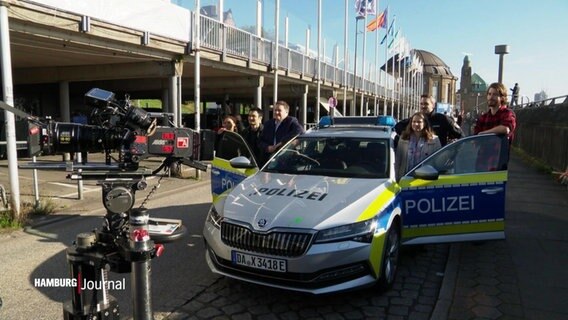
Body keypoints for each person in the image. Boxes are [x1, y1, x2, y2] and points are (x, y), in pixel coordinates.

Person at [394, 94, 462, 146]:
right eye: (421, 104)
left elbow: (460, 136)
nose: (423, 106)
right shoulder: (414, 119)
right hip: (419, 158)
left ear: (433, 105)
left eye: (426, 104)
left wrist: (450, 150)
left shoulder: (443, 119)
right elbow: (398, 127)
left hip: (438, 158)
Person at [395, 112, 442, 180]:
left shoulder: (434, 140)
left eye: (419, 122)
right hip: (405, 178)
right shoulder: (403, 138)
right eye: (414, 122)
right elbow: (398, 160)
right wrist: (397, 178)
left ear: (425, 123)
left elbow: (438, 162)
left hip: (425, 179)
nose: (416, 124)